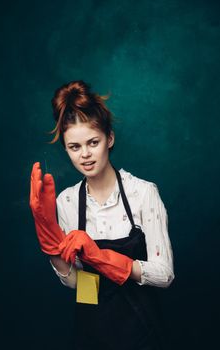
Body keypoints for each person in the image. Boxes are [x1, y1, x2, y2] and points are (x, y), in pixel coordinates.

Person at [30, 80, 174, 350]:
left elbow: (165, 275)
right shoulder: (68, 202)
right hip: (92, 335)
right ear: (66, 149)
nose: (85, 154)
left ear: (109, 138)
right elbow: (81, 286)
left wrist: (103, 258)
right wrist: (51, 247)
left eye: (93, 142)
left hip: (143, 334)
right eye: (74, 147)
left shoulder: (143, 193)